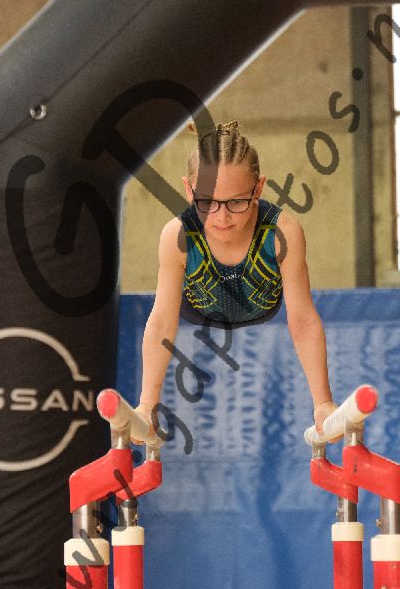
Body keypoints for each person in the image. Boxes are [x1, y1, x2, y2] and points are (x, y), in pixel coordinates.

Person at [134, 120, 338, 443]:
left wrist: (323, 403)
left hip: (264, 306)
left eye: (237, 202)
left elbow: (302, 319)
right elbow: (161, 321)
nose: (222, 217)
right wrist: (147, 405)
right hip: (197, 308)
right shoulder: (178, 236)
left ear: (258, 189)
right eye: (207, 202)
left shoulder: (282, 232)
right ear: (188, 191)